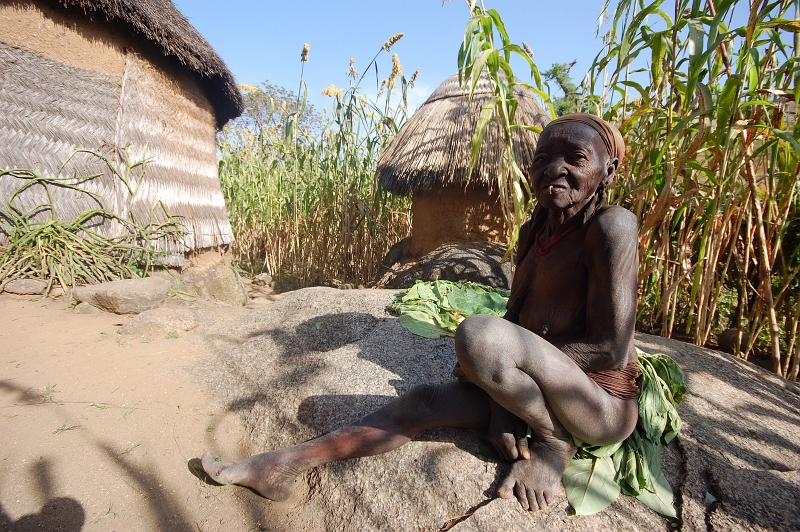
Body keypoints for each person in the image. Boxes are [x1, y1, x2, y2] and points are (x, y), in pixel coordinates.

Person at [201, 114, 640, 511]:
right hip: (536, 388)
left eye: (576, 158)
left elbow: (609, 349)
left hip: (594, 403)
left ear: (608, 172)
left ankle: (553, 442)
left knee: (478, 337)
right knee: (423, 400)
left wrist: (511, 381)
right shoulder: (534, 231)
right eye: (542, 158)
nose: (554, 169)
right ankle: (280, 467)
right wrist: (502, 399)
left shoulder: (611, 225)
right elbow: (516, 317)